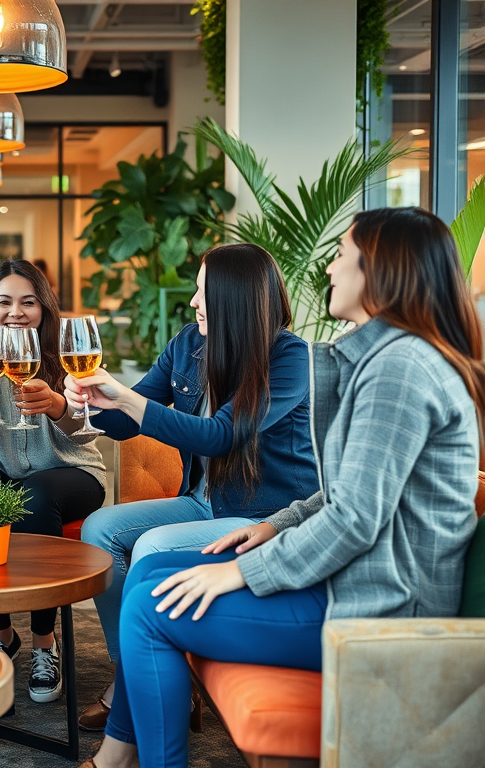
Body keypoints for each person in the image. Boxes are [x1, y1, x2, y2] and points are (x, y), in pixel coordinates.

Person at [78, 207, 484, 768]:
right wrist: (276, 526)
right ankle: (122, 756)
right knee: (149, 571)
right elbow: (344, 495)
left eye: (343, 256)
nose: (330, 271)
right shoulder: (387, 361)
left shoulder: (400, 371)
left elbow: (354, 520)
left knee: (148, 603)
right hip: (350, 578)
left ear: (381, 273)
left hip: (379, 605)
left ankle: (128, 760)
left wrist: (241, 570)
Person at [63, 243, 320, 730]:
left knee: (154, 545)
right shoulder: (188, 343)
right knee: (100, 529)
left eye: (203, 293)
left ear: (234, 298)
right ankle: (134, 672)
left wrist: (126, 400)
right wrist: (92, 402)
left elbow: (222, 435)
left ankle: (144, 688)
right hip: (202, 500)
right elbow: (124, 424)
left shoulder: (291, 359)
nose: (194, 303)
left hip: (262, 515)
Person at [0, 258, 106, 703]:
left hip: (73, 472)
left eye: (28, 302)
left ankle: (45, 643)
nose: (16, 312)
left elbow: (91, 431)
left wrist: (56, 405)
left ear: (44, 308)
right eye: (4, 302)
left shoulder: (68, 357)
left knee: (32, 496)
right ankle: (2, 633)